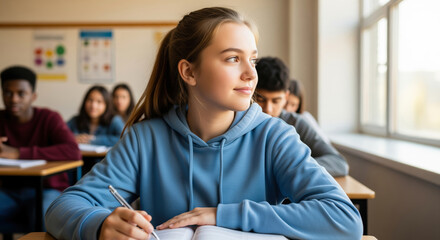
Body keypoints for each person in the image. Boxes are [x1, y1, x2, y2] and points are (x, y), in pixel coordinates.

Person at [45, 7, 362, 240]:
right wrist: (100, 224)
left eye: (251, 59)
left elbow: (345, 219)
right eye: (232, 59)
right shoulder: (145, 139)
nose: (251, 74)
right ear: (189, 72)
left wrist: (222, 215)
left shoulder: (275, 135)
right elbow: (62, 207)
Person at [0, 66, 81, 232]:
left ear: (33, 96)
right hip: (8, 191)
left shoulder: (49, 118)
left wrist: (18, 153)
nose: (14, 99)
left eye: (21, 93)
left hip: (47, 189)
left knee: (46, 214)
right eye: (8, 93)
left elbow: (73, 151)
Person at [255, 57, 348, 177]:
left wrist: (293, 167)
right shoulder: (236, 121)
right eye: (260, 99)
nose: (268, 109)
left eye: (276, 101)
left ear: (286, 97)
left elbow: (339, 163)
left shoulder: (297, 123)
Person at [286, 78, 331, 143]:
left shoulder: (305, 117)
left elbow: (325, 141)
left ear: (299, 105)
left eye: (293, 105)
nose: (288, 109)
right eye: (286, 103)